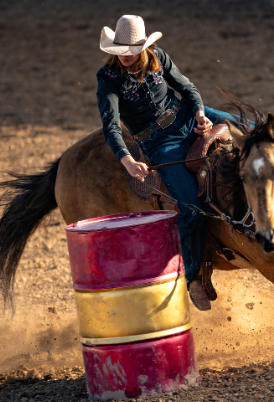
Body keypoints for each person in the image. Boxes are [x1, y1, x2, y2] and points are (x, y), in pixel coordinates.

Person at [96, 15, 248, 311]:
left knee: (251, 126)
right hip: (159, 142)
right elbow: (111, 126)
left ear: (143, 47)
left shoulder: (159, 58)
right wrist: (128, 161)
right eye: (121, 50)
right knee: (190, 209)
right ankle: (193, 277)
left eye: (131, 50)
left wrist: (200, 112)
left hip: (186, 116)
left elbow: (187, 88)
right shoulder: (108, 79)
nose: (126, 55)